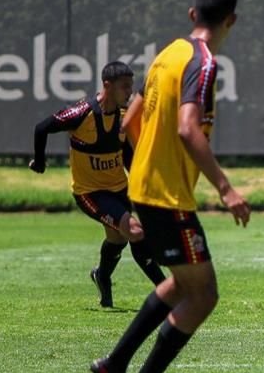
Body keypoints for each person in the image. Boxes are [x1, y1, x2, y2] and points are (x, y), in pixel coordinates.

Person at [90, 0, 250, 373]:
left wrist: (146, 163)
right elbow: (186, 128)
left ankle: (115, 365)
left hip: (145, 187)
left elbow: (129, 122)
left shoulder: (167, 55)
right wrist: (226, 188)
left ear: (192, 15)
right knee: (204, 294)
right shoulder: (202, 62)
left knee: (180, 283)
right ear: (230, 21)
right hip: (167, 195)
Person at [28, 61, 165, 308]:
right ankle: (168, 293)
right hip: (90, 193)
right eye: (124, 87)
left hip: (118, 190)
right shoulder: (82, 113)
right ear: (107, 86)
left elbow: (124, 151)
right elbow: (41, 128)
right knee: (134, 231)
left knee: (118, 239)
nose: (129, 92)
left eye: (131, 86)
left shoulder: (125, 114)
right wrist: (39, 161)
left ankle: (101, 275)